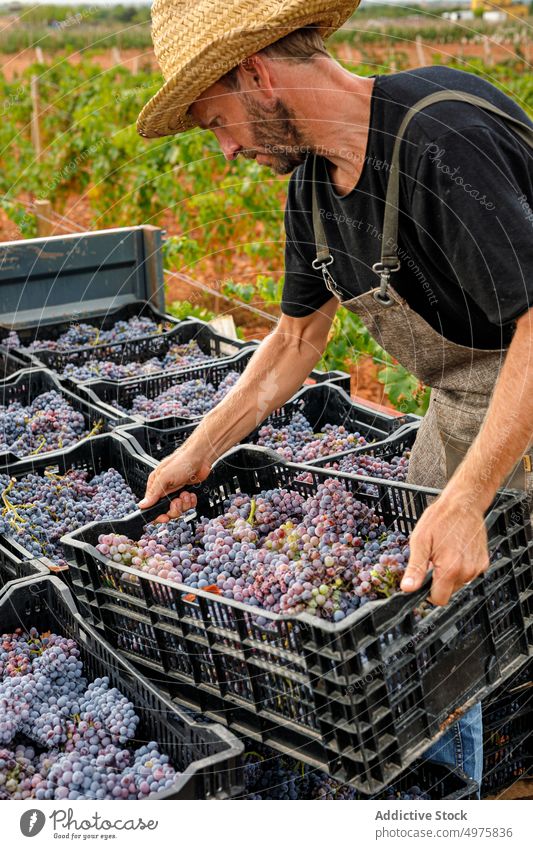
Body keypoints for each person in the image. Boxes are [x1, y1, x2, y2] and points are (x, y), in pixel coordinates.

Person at [136, 0, 533, 791]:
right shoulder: (312, 192)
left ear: (256, 75)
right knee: (443, 624)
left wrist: (466, 498)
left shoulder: (439, 139)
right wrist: (195, 452)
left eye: (216, 121)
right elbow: (293, 343)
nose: (222, 150)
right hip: (462, 410)